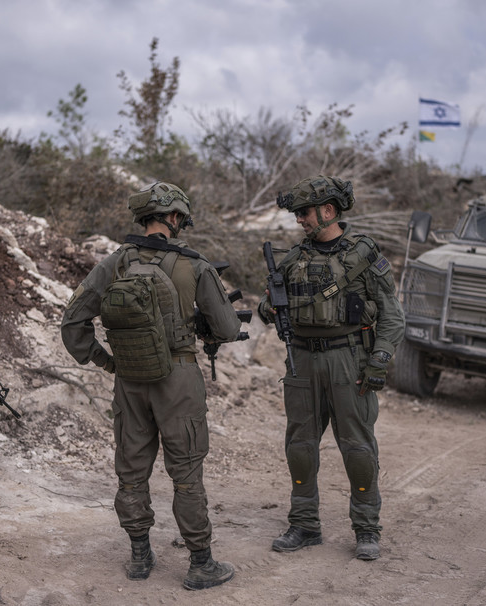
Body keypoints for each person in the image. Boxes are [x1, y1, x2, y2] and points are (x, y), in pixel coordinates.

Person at [60, 182, 241, 590]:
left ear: (142, 218)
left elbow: (72, 324)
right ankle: (200, 563)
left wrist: (109, 362)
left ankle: (140, 556)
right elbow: (228, 327)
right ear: (174, 217)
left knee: (132, 470)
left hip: (130, 379)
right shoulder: (194, 264)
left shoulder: (113, 263)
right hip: (178, 378)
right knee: (186, 471)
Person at [258, 175, 405, 561]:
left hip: (349, 359)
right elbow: (266, 306)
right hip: (302, 360)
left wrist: (380, 360)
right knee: (300, 447)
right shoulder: (292, 260)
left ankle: (366, 528)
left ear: (328, 211)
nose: (300, 220)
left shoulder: (364, 256)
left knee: (357, 448)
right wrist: (267, 307)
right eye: (298, 214)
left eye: (305, 212)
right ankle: (304, 525)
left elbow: (393, 316)